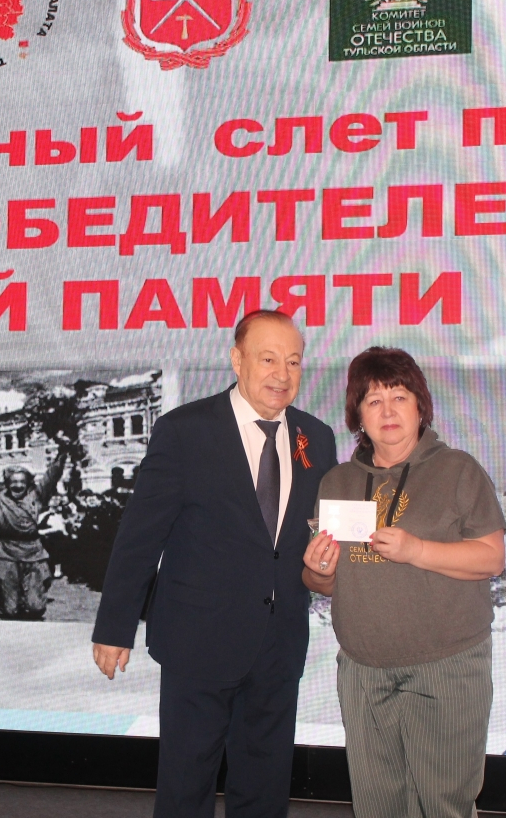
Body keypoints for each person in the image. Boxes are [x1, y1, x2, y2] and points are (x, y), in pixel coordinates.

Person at [92, 310, 336, 818]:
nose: (282, 374)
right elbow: (139, 538)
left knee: (265, 791)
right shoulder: (185, 431)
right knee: (185, 789)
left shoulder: (317, 438)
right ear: (237, 360)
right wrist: (114, 627)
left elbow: (315, 533)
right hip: (196, 643)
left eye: (293, 362)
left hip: (278, 647)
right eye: (268, 359)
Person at [303, 347, 506, 818]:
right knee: (377, 806)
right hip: (363, 671)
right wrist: (318, 569)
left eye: (399, 397)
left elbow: (491, 558)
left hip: (447, 668)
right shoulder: (337, 482)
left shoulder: (459, 470)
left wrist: (417, 550)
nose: (388, 411)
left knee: (443, 806)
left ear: (420, 406)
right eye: (373, 401)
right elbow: (325, 583)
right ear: (358, 415)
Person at [0, 441, 63, 620]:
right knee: (9, 609)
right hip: (5, 554)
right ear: (6, 483)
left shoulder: (36, 498)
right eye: (13, 482)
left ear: (28, 483)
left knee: (36, 606)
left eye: (22, 482)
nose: (18, 486)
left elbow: (51, 477)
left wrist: (62, 453)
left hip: (33, 554)